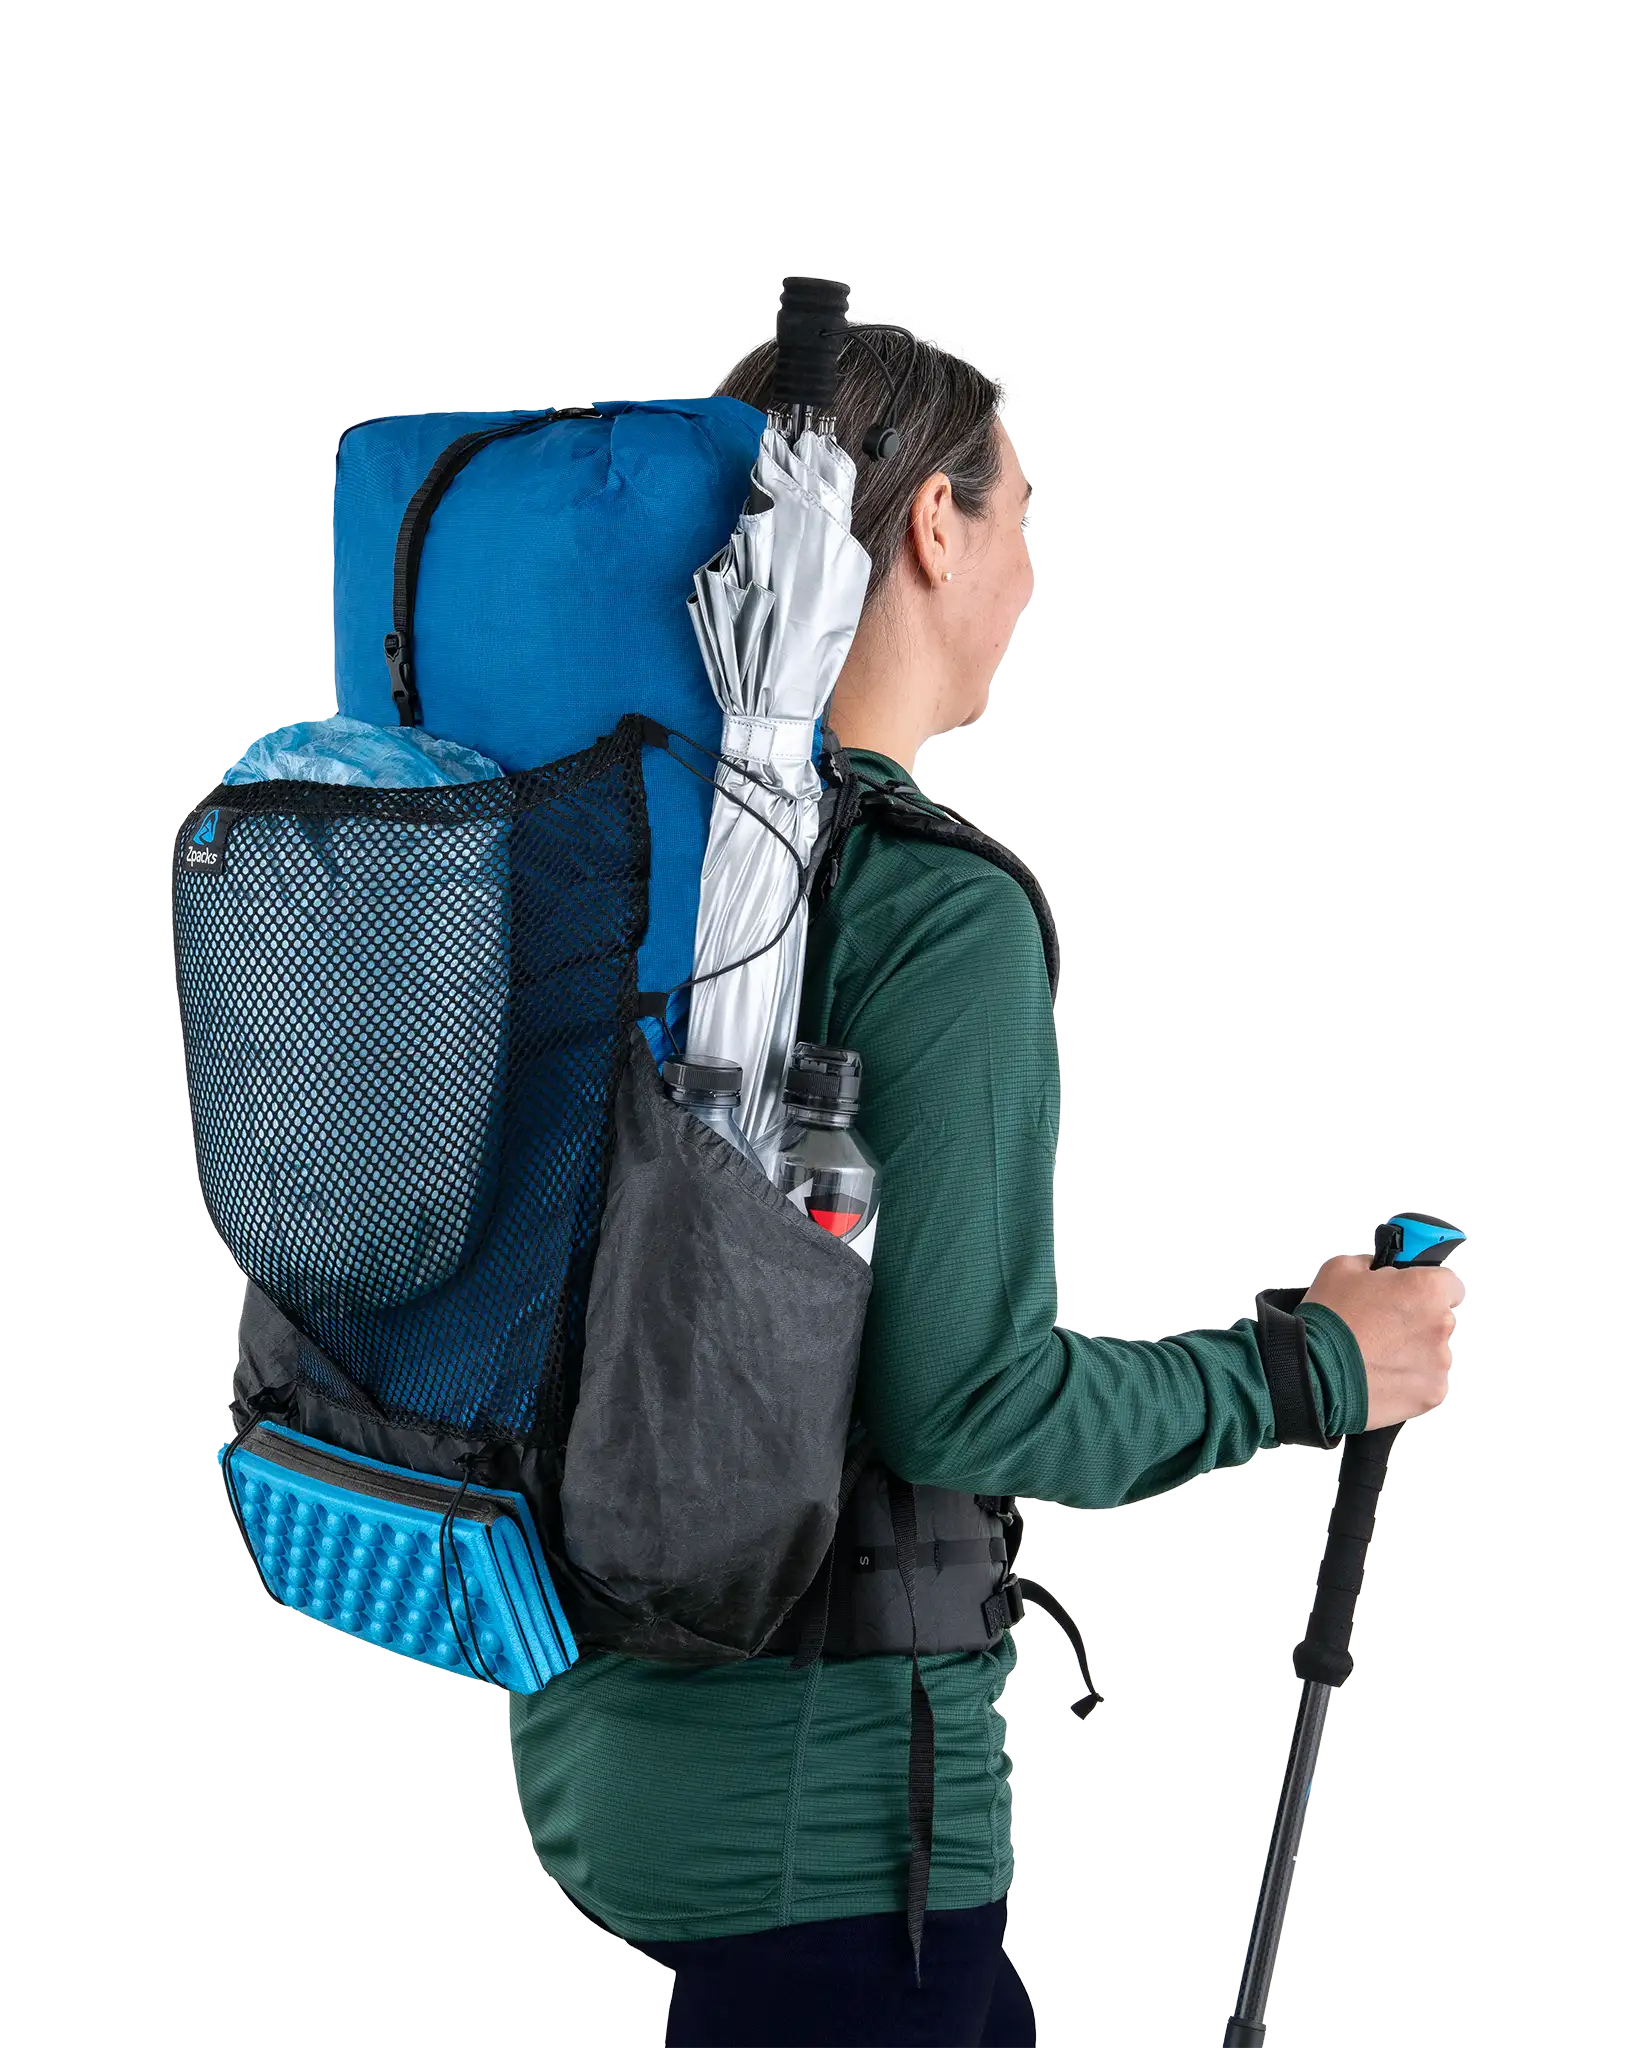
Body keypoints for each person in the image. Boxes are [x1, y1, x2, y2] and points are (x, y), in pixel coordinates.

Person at [506, 324, 1465, 2047]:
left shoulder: (609, 859)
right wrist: (1315, 1367)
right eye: (1020, 514)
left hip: (607, 1744)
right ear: (934, 530)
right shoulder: (928, 910)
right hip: (830, 1823)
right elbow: (966, 1401)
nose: (1029, 574)